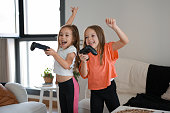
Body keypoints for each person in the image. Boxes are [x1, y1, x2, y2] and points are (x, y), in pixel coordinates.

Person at [79, 18, 129, 113]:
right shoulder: (86, 54)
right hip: (95, 90)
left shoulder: (108, 48)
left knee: (116, 111)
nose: (89, 39)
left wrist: (115, 27)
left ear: (100, 37)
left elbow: (124, 41)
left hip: (109, 87)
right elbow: (84, 75)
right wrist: (84, 61)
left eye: (92, 36)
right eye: (86, 37)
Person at [45, 7, 80, 113]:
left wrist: (54, 54)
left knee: (71, 110)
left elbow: (66, 65)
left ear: (73, 39)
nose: (62, 37)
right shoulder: (61, 48)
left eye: (66, 35)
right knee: (64, 110)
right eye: (61, 35)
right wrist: (73, 15)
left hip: (70, 85)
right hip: (62, 85)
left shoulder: (72, 49)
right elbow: (66, 28)